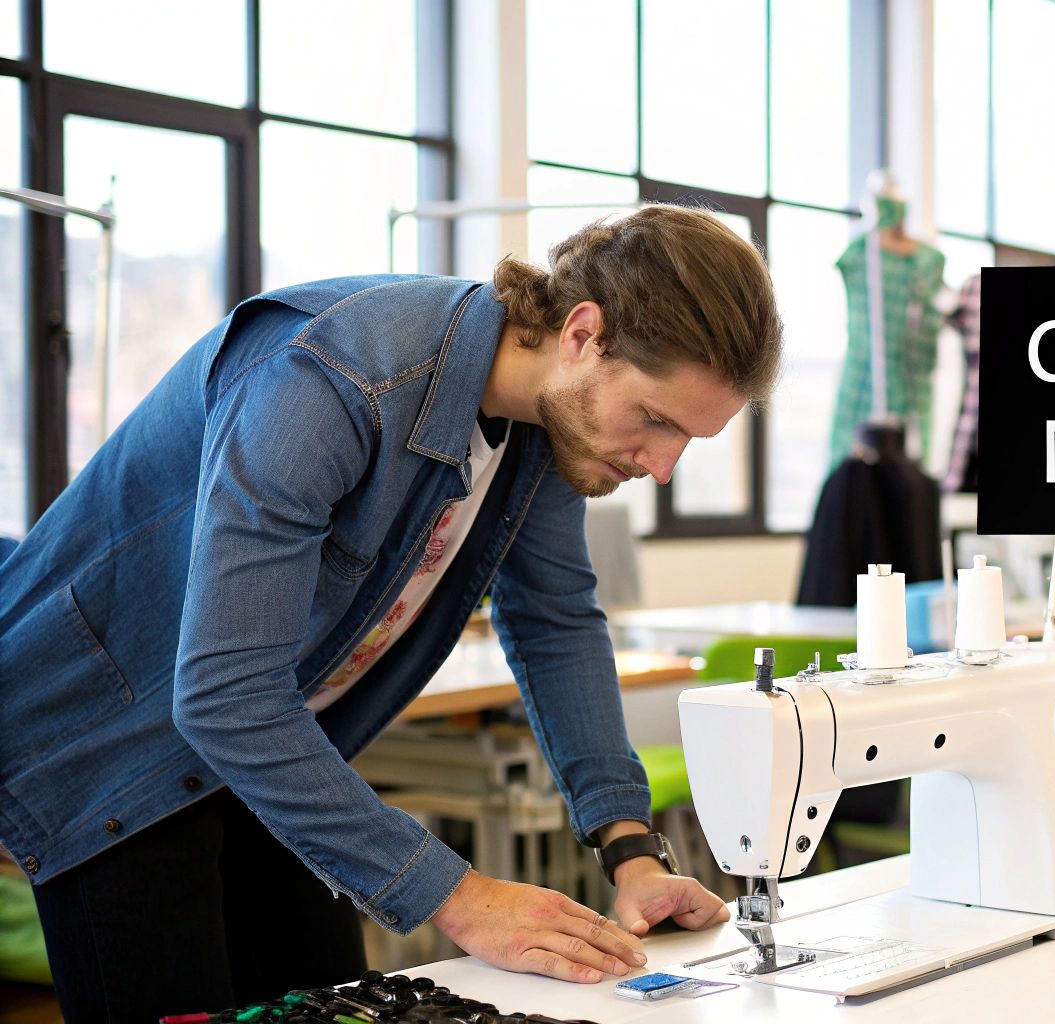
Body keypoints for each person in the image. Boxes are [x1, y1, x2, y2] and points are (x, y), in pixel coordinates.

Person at [0, 205, 781, 1020]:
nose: (659, 466)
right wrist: (463, 896)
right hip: (102, 749)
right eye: (655, 420)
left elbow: (555, 623)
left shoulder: (549, 424)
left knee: (336, 1007)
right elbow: (226, 693)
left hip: (263, 753)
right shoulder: (330, 381)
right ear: (583, 333)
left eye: (687, 439)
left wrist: (633, 852)